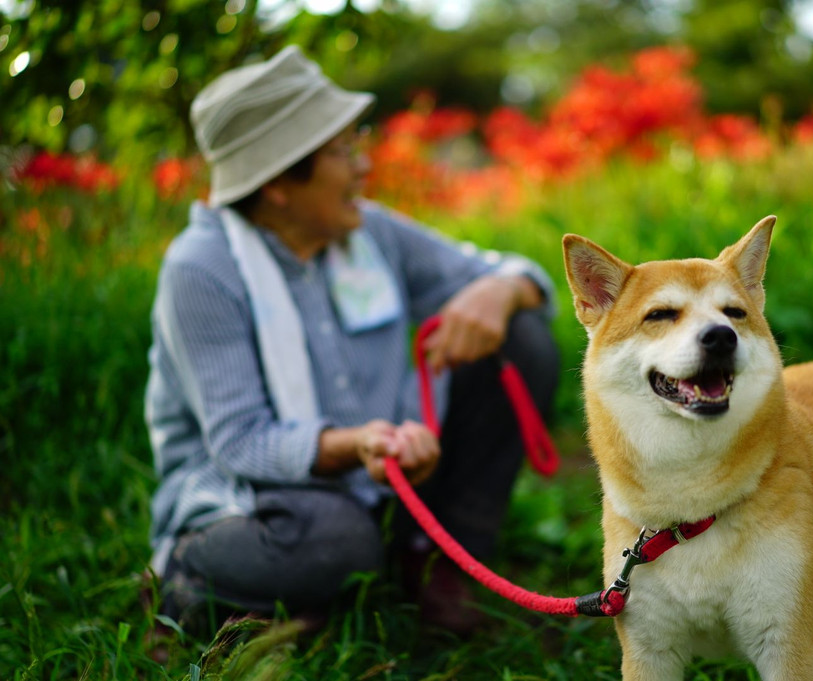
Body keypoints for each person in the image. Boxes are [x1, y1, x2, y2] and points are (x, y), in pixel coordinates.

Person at [144, 45, 559, 636]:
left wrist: (500, 291)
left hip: (385, 472)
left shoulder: (370, 232)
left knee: (521, 337)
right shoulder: (202, 270)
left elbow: (521, 275)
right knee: (337, 541)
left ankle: (439, 562)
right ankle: (190, 576)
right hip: (257, 496)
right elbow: (240, 444)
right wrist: (356, 443)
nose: (362, 167)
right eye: (342, 152)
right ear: (280, 183)